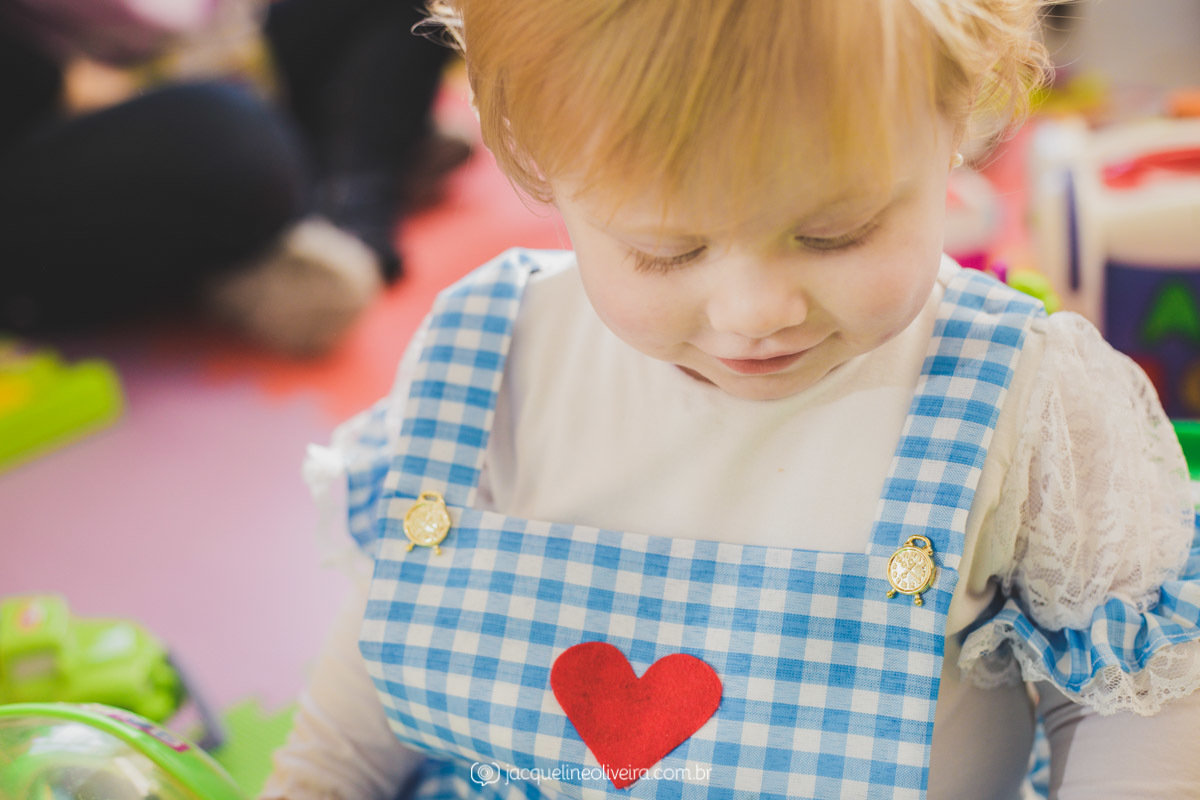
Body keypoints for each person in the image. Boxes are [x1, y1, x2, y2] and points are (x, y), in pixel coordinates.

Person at [262, 2, 1200, 798]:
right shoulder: (492, 355)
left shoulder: (1023, 401)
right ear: (539, 165)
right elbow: (400, 615)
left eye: (838, 232)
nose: (757, 313)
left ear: (961, 115)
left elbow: (1129, 692)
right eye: (666, 251)